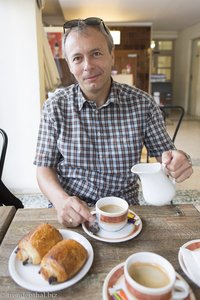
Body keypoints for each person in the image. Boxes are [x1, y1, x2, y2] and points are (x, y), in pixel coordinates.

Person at [34, 17, 193, 228]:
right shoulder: (55, 107)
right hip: (73, 210)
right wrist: (60, 200)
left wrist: (178, 161)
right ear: (70, 66)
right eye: (77, 58)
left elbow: (167, 156)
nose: (88, 66)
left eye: (96, 53)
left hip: (125, 212)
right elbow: (43, 168)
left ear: (111, 56)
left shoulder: (142, 104)